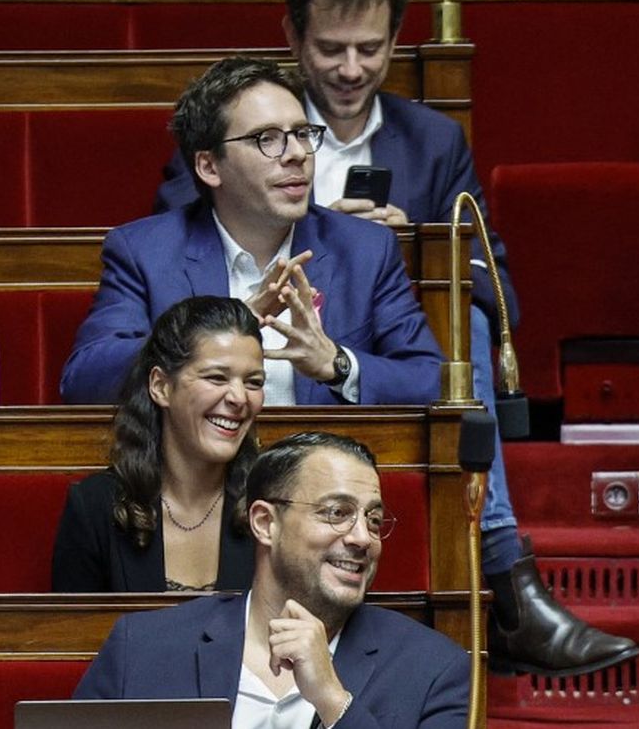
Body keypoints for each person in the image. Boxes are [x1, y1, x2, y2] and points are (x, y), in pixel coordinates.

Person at [157, 0, 636, 678]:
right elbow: (182, 239)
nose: (351, 71)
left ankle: (501, 567)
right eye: (330, 49)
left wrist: (412, 242)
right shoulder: (249, 127)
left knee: (465, 320)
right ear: (292, 37)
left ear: (396, 39)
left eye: (371, 50)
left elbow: (492, 276)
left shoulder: (432, 140)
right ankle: (506, 581)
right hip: (264, 340)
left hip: (378, 335)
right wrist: (306, 224)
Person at [60, 56, 442, 409]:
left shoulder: (365, 250)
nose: (296, 153)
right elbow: (85, 380)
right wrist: (218, 331)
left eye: (302, 133)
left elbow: (431, 381)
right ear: (210, 167)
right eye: (267, 138)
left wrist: (336, 364)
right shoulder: (145, 253)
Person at [75, 431, 470, 729]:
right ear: (265, 523)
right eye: (337, 513)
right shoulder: (143, 647)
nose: (362, 538)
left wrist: (334, 701)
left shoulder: (434, 670)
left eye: (373, 520)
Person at [53, 296, 265, 593]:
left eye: (254, 382)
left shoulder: (274, 504)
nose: (240, 398)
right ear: (161, 386)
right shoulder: (94, 507)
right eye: (217, 378)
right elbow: (74, 635)